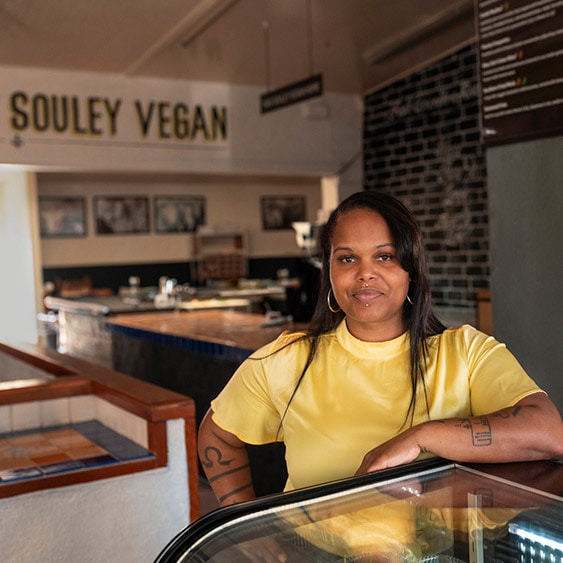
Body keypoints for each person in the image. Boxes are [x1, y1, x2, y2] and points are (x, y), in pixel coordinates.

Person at [198, 190, 563, 508]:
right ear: (329, 272)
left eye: (385, 256)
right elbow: (216, 434)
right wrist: (249, 530)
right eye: (346, 258)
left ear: (411, 271)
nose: (365, 273)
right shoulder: (287, 361)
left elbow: (549, 433)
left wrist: (422, 436)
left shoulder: (466, 353)